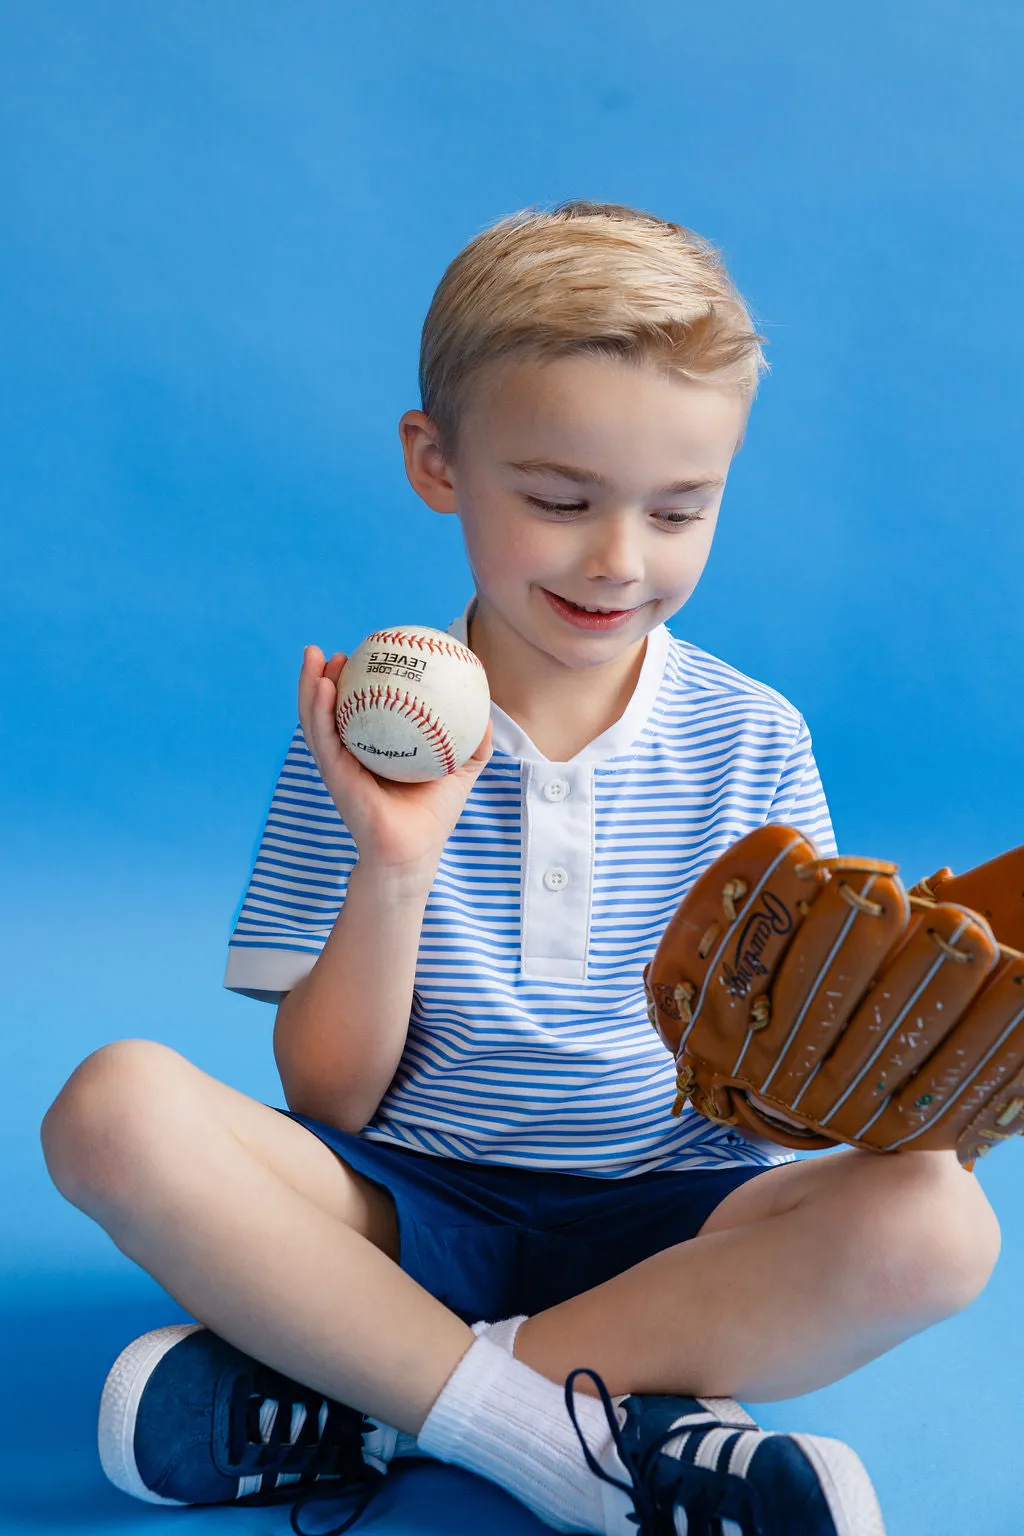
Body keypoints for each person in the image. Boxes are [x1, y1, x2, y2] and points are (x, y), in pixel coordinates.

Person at [40, 201, 1000, 1536]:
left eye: (680, 510)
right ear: (437, 464)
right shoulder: (366, 740)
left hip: (680, 1225)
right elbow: (328, 1092)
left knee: (942, 1226)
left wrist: (876, 1083)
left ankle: (369, 1398)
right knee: (111, 1106)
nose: (619, 560)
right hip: (404, 1208)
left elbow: (782, 1086)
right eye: (559, 501)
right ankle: (597, 1438)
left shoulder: (753, 736)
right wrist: (392, 860)